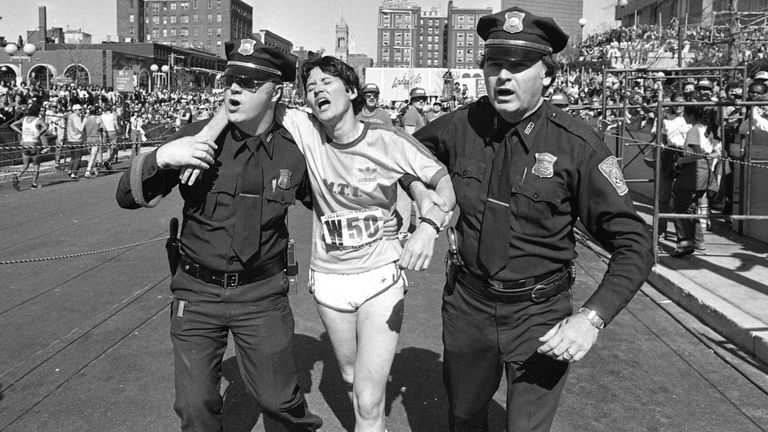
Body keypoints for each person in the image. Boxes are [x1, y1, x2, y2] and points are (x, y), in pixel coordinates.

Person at [401, 7, 653, 431]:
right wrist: (422, 198)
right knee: (463, 417)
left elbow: (636, 245)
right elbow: (401, 156)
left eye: (519, 66)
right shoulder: (461, 125)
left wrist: (591, 319)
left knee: (527, 427)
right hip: (468, 306)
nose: (503, 76)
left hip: (539, 314)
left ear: (548, 76)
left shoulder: (578, 146)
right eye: (495, 63)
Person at [196, 55, 455, 432]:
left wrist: (427, 226)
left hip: (380, 275)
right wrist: (206, 134)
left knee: (368, 395)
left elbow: (444, 185)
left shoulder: (388, 139)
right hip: (331, 280)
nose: (317, 91)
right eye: (310, 87)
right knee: (351, 376)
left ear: (351, 92)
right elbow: (250, 101)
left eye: (326, 83)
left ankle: (370, 421)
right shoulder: (305, 129)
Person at [115, 40, 323, 432]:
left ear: (275, 91)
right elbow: (127, 196)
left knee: (281, 402)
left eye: (248, 82)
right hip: (197, 293)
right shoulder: (196, 137)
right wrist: (162, 157)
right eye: (231, 79)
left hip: (261, 296)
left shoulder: (297, 149)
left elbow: (330, 202)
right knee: (195, 407)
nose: (234, 89)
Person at [671, 106, 717, 257]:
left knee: (679, 206)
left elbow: (698, 154)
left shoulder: (694, 130)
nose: (683, 116)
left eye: (685, 113)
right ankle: (698, 240)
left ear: (691, 115)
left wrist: (681, 160)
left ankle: (684, 243)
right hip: (705, 172)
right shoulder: (705, 129)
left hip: (694, 171)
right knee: (691, 207)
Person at [10, 104, 47, 190]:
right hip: (34, 144)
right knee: (36, 165)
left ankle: (18, 175)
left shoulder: (24, 119)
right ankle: (34, 183)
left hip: (24, 144)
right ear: (37, 111)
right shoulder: (38, 120)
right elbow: (45, 127)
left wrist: (21, 132)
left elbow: (12, 125)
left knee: (25, 164)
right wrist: (38, 134)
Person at [66, 104, 86, 180]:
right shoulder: (76, 117)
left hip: (70, 139)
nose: (81, 111)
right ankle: (74, 173)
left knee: (73, 157)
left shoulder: (70, 117)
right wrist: (84, 120)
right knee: (77, 157)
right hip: (77, 139)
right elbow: (80, 128)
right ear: (75, 110)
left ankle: (70, 169)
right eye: (79, 109)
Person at [83, 105, 104, 178]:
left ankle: (95, 169)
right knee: (93, 156)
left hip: (88, 138)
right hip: (95, 137)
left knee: (92, 156)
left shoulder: (86, 119)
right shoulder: (97, 118)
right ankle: (88, 171)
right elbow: (100, 129)